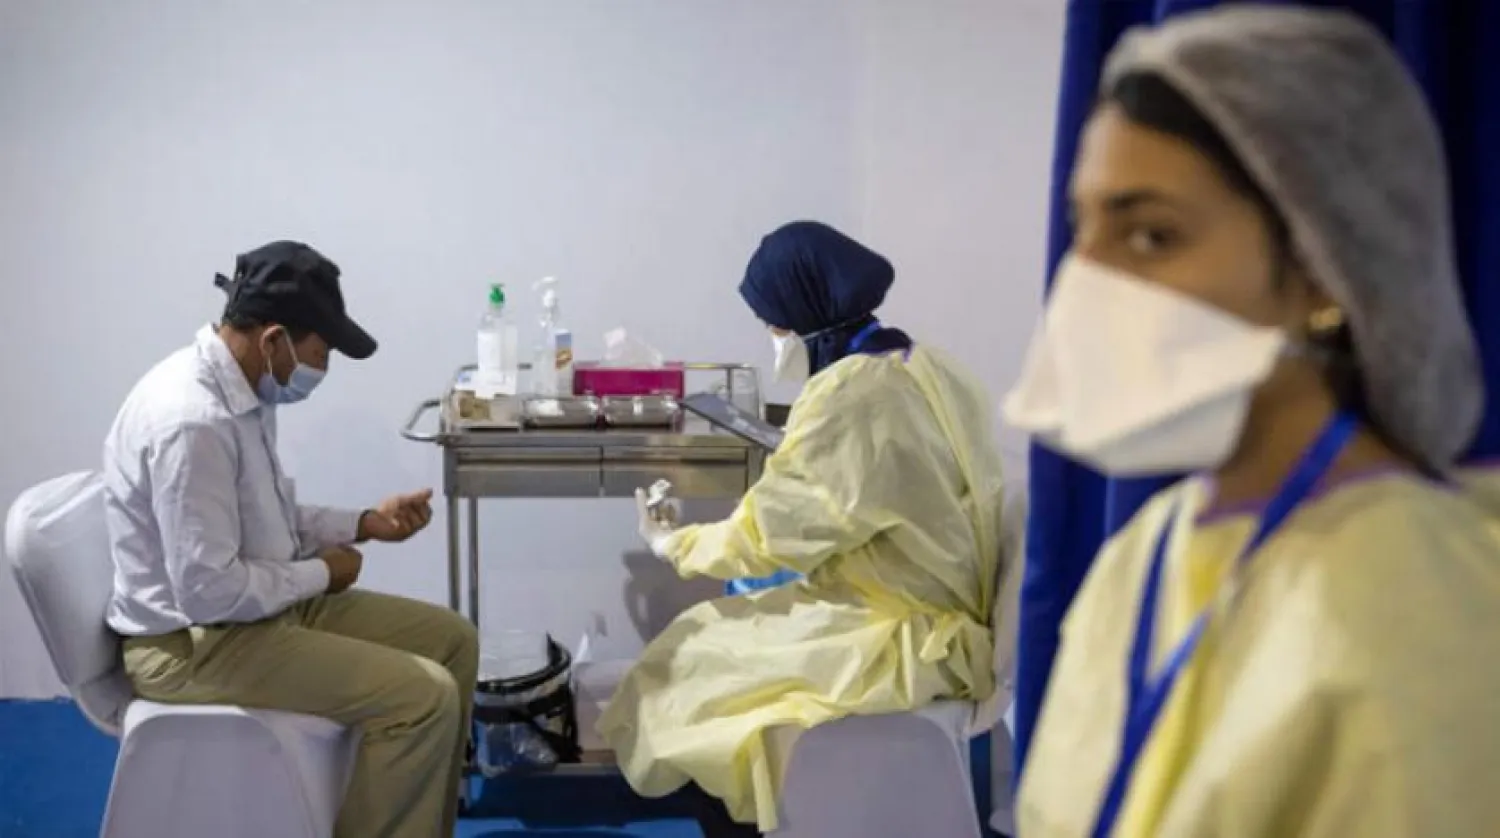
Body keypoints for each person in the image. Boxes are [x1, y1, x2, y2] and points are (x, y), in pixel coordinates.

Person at [1003, 7, 1500, 837]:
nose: (1086, 281)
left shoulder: (1422, 617)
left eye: (1152, 233)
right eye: (1083, 228)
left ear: (1321, 269)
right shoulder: (1148, 552)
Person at [598, 220, 1008, 836]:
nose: (772, 336)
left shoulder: (851, 395)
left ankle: (748, 822)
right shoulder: (928, 364)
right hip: (936, 614)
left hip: (897, 636)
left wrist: (672, 542)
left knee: (686, 672)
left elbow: (769, 535)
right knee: (710, 639)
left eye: (773, 323)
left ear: (803, 309)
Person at [102, 240, 479, 838]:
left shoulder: (244, 392)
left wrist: (363, 523)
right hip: (190, 645)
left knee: (452, 641)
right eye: (321, 351)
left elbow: (266, 519)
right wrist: (323, 573)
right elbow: (207, 591)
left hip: (251, 614)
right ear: (274, 338)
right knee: (422, 697)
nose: (322, 368)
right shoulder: (191, 422)